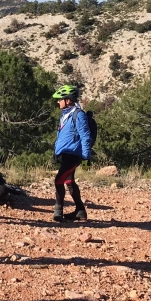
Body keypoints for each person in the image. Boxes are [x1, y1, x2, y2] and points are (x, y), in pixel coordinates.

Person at [52, 84, 92, 222]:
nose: (58, 101)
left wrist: (86, 158)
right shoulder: (65, 115)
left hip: (73, 155)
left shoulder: (78, 114)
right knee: (69, 181)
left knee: (58, 181)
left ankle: (58, 211)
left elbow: (86, 136)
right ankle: (80, 211)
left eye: (60, 99)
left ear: (68, 100)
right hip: (65, 154)